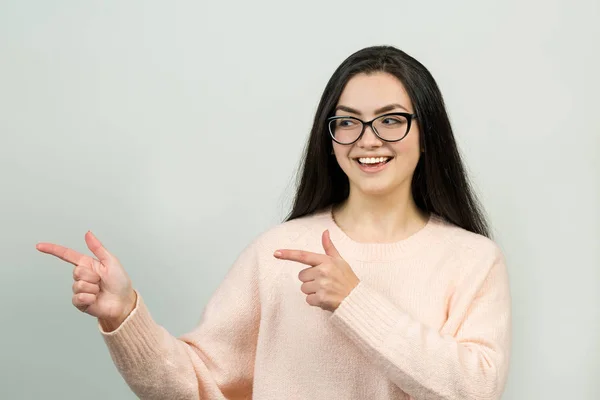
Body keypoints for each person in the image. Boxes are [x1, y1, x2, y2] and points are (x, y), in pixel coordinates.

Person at [36, 45, 511, 400]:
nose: (368, 139)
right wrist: (124, 316)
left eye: (391, 120)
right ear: (329, 138)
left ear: (427, 134)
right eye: (347, 122)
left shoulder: (471, 259)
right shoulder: (276, 252)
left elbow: (476, 388)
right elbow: (199, 384)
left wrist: (355, 301)